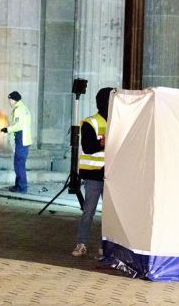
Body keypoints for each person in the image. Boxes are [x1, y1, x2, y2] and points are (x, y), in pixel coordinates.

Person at [72, 87, 114, 257]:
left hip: (111, 175)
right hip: (94, 176)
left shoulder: (117, 121)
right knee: (88, 211)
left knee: (110, 215)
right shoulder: (91, 122)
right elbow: (88, 148)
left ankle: (106, 247)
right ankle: (81, 244)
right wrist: (103, 144)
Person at [0, 91, 32, 193]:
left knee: (19, 164)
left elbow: (18, 126)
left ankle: (22, 187)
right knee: (19, 163)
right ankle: (18, 186)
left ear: (13, 99)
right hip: (25, 138)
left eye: (9, 99)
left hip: (21, 138)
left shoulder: (18, 110)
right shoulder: (24, 108)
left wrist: (7, 129)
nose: (9, 102)